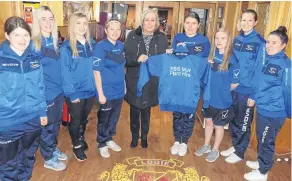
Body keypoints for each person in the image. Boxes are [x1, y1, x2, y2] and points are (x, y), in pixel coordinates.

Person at [0, 16, 47, 181]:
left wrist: (42, 112)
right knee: (8, 164)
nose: (22, 39)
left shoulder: (34, 59)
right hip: (7, 122)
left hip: (32, 119)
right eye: (16, 35)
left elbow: (40, 87)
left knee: (28, 158)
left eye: (25, 35)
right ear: (7, 36)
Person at [243, 26, 291, 181]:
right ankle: (261, 162)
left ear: (283, 45)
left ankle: (263, 172)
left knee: (266, 141)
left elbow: (288, 90)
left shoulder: (286, 65)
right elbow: (259, 83)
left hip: (274, 112)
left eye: (274, 42)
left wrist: (289, 112)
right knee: (261, 138)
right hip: (263, 108)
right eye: (268, 42)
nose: (269, 45)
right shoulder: (268, 60)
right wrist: (254, 96)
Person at [221, 9, 266, 164]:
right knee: (233, 119)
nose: (246, 23)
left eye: (249, 20)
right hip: (234, 88)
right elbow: (233, 63)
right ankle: (235, 145)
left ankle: (240, 152)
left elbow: (261, 71)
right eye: (243, 20)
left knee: (244, 122)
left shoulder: (260, 43)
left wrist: (254, 95)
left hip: (247, 91)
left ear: (255, 22)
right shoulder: (237, 39)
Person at [167, 12, 211, 157]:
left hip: (193, 84)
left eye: (193, 23)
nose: (190, 26)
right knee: (177, 112)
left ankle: (184, 141)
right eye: (187, 23)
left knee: (188, 113)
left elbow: (204, 63)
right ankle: (176, 140)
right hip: (178, 82)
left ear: (198, 25)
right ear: (183, 24)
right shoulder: (178, 38)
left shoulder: (204, 41)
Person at [124, 8, 168, 148]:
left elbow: (163, 62)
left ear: (156, 22)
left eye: (152, 20)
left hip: (151, 81)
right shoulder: (132, 36)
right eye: (147, 20)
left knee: (147, 111)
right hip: (135, 80)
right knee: (134, 110)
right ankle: (134, 137)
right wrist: (137, 59)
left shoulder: (161, 38)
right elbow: (125, 58)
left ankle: (144, 138)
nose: (149, 23)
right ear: (142, 21)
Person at [31, 6, 67, 171]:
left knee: (56, 124)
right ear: (37, 22)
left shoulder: (55, 41)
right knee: (47, 126)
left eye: (51, 18)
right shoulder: (35, 44)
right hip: (46, 94)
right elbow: (33, 78)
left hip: (58, 91)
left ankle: (52, 147)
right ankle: (48, 157)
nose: (48, 22)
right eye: (43, 19)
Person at [195, 28, 238, 162]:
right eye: (217, 38)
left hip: (222, 100)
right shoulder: (212, 55)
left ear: (229, 40)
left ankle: (215, 149)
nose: (219, 41)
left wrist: (223, 91)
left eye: (223, 38)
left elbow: (235, 83)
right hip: (209, 98)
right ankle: (207, 145)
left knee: (219, 126)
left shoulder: (233, 59)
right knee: (208, 122)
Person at [60, 12, 96, 161]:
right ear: (72, 26)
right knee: (75, 120)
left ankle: (80, 136)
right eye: (78, 23)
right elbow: (65, 72)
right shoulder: (67, 47)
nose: (82, 27)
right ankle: (76, 146)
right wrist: (71, 93)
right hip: (75, 92)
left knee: (84, 118)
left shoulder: (92, 44)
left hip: (90, 90)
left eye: (84, 23)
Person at [93, 19, 126, 158]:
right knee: (104, 118)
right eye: (111, 29)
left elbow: (122, 68)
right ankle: (101, 143)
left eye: (118, 29)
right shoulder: (100, 47)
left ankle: (109, 138)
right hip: (106, 90)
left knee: (114, 117)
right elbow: (96, 71)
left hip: (119, 90)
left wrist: (124, 85)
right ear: (106, 30)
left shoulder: (121, 45)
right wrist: (100, 93)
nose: (115, 32)